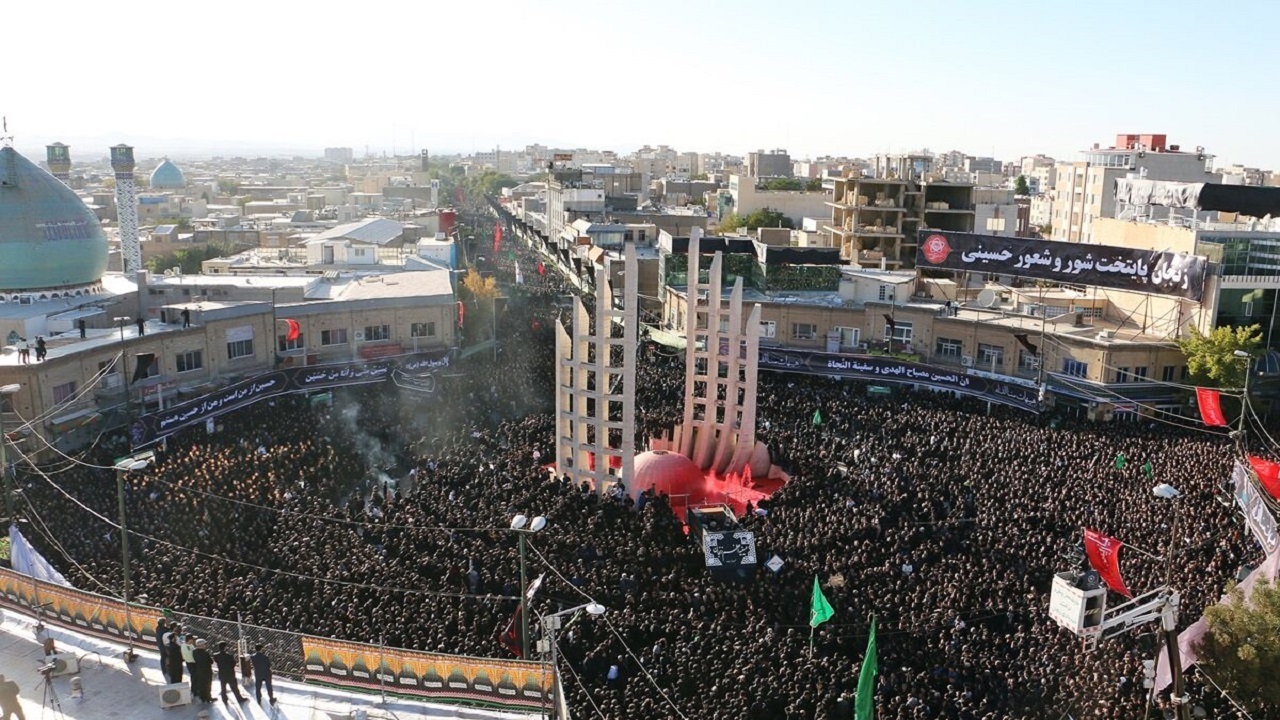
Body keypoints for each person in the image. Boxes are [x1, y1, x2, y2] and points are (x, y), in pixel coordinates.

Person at [192, 639, 214, 703]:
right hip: (207, 671)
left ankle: (202, 697)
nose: (205, 645)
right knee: (207, 685)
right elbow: (211, 662)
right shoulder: (205, 653)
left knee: (201, 684)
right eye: (204, 644)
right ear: (201, 645)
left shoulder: (194, 652)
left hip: (199, 670)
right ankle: (208, 697)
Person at [155, 618, 170, 683]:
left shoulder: (158, 628)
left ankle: (164, 670)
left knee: (163, 657)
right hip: (164, 646)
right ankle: (166, 670)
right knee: (165, 657)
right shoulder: (165, 630)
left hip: (160, 645)